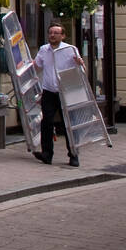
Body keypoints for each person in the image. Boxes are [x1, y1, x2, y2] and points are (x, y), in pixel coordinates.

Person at [32, 23, 85, 167]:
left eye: (56, 33)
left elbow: (81, 70)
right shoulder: (44, 50)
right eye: (50, 33)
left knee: (69, 123)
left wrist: (80, 63)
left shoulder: (70, 50)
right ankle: (47, 154)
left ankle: (74, 155)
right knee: (46, 122)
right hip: (49, 91)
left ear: (63, 36)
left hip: (66, 91)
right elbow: (36, 66)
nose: (52, 35)